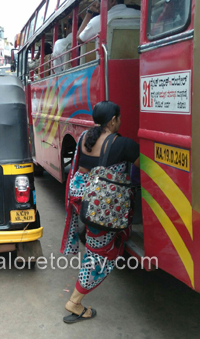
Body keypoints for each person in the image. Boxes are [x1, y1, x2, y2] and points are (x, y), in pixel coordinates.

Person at [60, 101, 139, 323]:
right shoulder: (123, 144)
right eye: (119, 118)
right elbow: (146, 171)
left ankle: (91, 243)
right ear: (113, 120)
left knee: (96, 244)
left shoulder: (85, 137)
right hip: (100, 206)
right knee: (100, 256)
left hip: (82, 199)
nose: (120, 121)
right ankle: (75, 302)